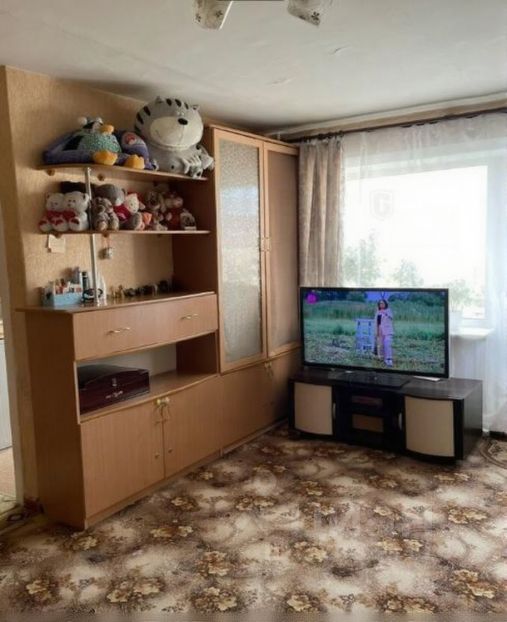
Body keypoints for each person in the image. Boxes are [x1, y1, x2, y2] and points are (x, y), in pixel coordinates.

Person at [374, 299, 394, 367]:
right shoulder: (377, 312)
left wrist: (385, 312)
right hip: (380, 330)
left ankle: (389, 359)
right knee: (381, 345)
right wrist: (376, 331)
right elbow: (376, 323)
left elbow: (391, 317)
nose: (381, 304)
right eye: (380, 303)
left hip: (388, 330)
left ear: (385, 304)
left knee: (387, 344)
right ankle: (384, 359)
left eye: (382, 303)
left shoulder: (388, 310)